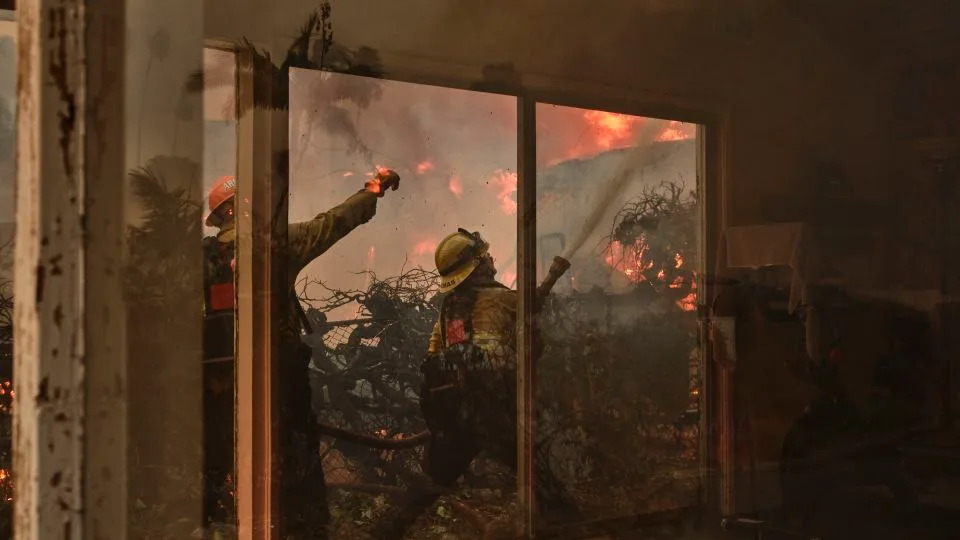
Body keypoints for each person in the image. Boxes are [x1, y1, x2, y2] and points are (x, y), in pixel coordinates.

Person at [201, 169, 400, 539]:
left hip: (220, 384)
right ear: (241, 208)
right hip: (278, 381)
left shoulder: (202, 259)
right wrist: (372, 190)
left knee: (217, 469)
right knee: (297, 468)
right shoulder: (276, 244)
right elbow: (332, 224)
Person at [376, 228, 574, 538]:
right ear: (478, 265)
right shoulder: (504, 299)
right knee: (538, 474)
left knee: (430, 482)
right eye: (485, 256)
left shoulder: (450, 308)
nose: (492, 259)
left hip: (455, 412)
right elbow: (533, 349)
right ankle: (575, 526)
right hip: (490, 410)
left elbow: (435, 356)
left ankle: (387, 531)